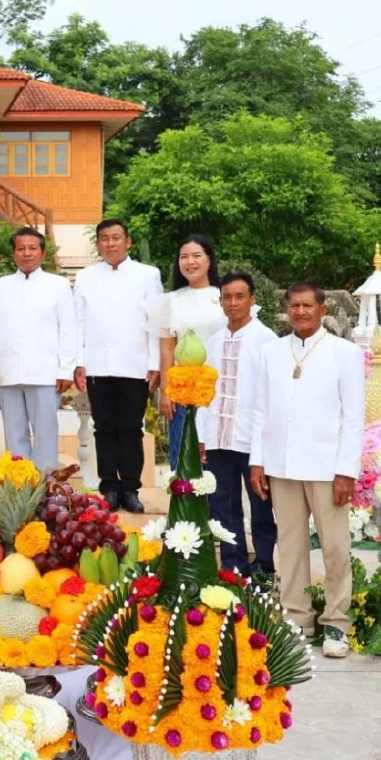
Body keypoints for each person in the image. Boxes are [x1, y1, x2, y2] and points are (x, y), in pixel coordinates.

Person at [248, 283, 365, 659]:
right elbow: (260, 410)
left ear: (322, 308)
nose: (300, 312)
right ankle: (297, 618)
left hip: (328, 467)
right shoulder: (271, 352)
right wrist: (257, 460)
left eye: (307, 305)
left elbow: (354, 419)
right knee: (292, 547)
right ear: (286, 310)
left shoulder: (345, 353)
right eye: (294, 305)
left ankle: (336, 622)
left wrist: (346, 470)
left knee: (334, 547)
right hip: (282, 464)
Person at [72, 218, 163, 513]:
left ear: (128, 241)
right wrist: (80, 362)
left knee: (131, 428)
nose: (110, 244)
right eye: (104, 239)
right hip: (98, 365)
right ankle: (109, 487)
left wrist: (154, 363)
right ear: (97, 243)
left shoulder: (147, 275)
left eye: (116, 238)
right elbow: (79, 321)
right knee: (104, 428)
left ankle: (131, 489)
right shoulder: (86, 277)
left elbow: (155, 322)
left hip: (135, 365)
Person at [196, 273, 278, 577]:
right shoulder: (213, 342)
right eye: (227, 297)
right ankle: (233, 566)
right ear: (221, 302)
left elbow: (270, 398)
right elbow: (205, 393)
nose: (233, 303)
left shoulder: (267, 341)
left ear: (252, 300)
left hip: (253, 440)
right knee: (222, 504)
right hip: (218, 438)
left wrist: (264, 444)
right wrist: (202, 435)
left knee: (261, 505)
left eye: (239, 296)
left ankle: (265, 567)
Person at [0, 227, 76, 473]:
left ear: (42, 253)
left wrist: (66, 370)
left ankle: (46, 488)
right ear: (13, 253)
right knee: (14, 434)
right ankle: (19, 487)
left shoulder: (58, 285)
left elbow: (68, 329)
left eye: (32, 248)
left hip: (46, 374)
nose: (27, 253)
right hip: (9, 373)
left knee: (45, 432)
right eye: (21, 248)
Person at [153, 234, 227, 465]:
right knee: (184, 456)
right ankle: (184, 501)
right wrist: (166, 392)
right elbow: (167, 349)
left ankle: (217, 502)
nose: (189, 262)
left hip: (220, 387)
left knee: (218, 457)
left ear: (209, 260)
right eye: (183, 257)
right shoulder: (169, 301)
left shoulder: (227, 297)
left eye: (196, 255)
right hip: (183, 392)